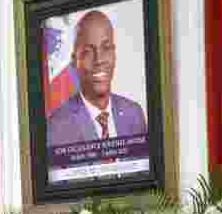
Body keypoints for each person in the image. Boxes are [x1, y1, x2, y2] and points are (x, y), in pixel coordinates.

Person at [47, 10, 148, 147]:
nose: (99, 60)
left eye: (106, 48)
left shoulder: (134, 114)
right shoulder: (56, 128)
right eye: (88, 51)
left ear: (114, 54)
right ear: (74, 62)